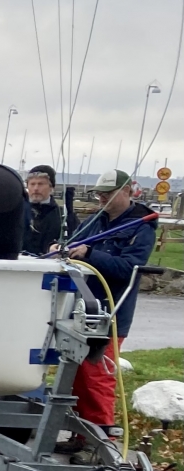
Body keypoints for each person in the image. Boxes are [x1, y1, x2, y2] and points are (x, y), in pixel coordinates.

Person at [54, 170, 156, 443]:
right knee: (75, 375)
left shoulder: (141, 227)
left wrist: (90, 253)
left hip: (111, 313)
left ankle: (100, 442)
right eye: (99, 194)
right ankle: (81, 435)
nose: (102, 199)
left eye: (107, 194)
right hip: (81, 309)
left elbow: (126, 269)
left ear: (127, 191)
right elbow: (74, 244)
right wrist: (62, 248)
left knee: (96, 377)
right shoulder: (95, 221)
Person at [20, 164, 62, 257]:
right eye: (32, 184)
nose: (35, 188)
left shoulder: (63, 215)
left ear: (51, 187)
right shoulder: (16, 211)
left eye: (40, 184)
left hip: (48, 266)